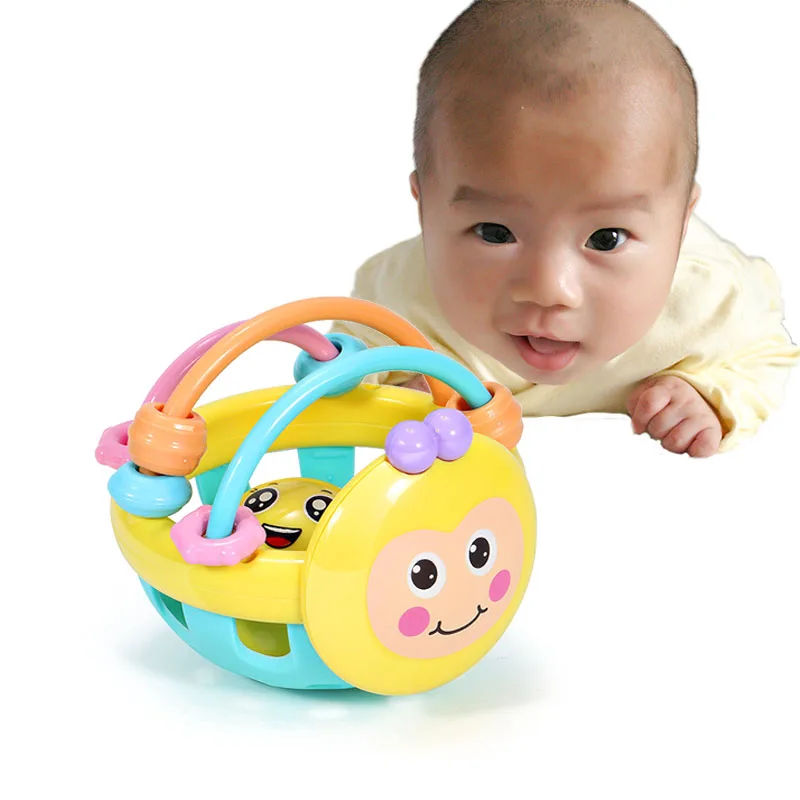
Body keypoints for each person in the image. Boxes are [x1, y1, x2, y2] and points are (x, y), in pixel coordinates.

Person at [331, 0, 799, 457]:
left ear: (681, 225)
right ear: (425, 211)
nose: (549, 289)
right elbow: (336, 376)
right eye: (495, 232)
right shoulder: (397, 304)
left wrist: (710, 395)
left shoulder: (708, 298)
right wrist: (391, 395)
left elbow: (766, 355)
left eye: (606, 239)